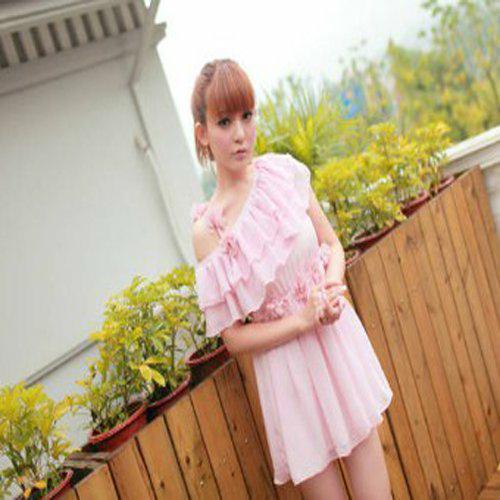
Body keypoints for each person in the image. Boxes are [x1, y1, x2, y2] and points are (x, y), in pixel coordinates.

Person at [190, 58, 394, 499]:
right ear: (203, 133)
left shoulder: (283, 172)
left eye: (247, 115)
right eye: (224, 122)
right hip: (287, 375)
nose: (240, 133)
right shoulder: (209, 231)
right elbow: (234, 338)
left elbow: (331, 245)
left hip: (335, 343)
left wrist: (331, 291)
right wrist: (301, 320)